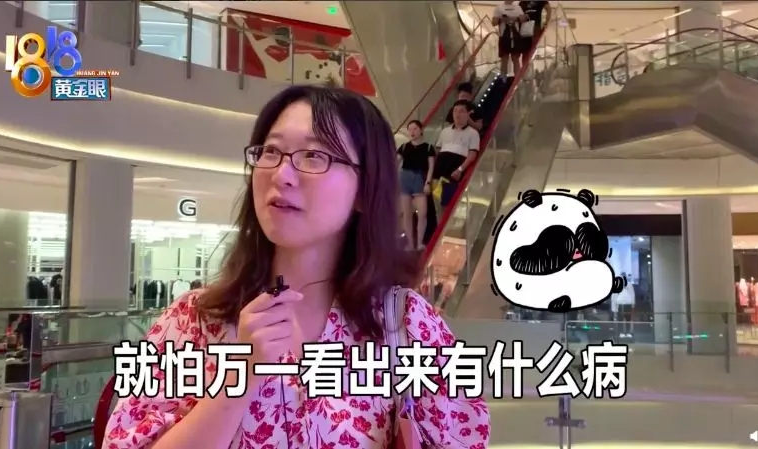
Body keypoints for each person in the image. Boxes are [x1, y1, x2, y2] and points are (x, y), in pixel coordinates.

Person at [103, 85, 490, 449]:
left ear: (364, 189)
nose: (282, 174)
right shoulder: (193, 321)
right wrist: (239, 376)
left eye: (314, 156)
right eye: (271, 152)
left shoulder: (406, 325)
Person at [432, 99, 481, 211]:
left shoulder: (473, 133)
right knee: (436, 206)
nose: (457, 114)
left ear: (468, 114)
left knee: (447, 206)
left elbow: (472, 154)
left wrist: (460, 169)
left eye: (461, 111)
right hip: (438, 172)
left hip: (453, 173)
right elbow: (437, 150)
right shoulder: (445, 131)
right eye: (455, 111)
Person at [398, 119, 435, 251]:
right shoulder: (404, 147)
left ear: (421, 130)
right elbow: (395, 162)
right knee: (407, 213)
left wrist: (428, 182)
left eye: (415, 129)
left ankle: (419, 242)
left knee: (422, 213)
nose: (412, 132)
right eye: (410, 129)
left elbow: (431, 167)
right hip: (405, 177)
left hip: (419, 178)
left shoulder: (428, 147)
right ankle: (410, 243)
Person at [493, 0, 526, 77]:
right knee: (504, 60)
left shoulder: (518, 8)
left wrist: (515, 19)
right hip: (504, 37)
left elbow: (523, 20)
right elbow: (494, 22)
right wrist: (502, 19)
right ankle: (503, 80)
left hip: (516, 37)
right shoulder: (499, 8)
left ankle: (516, 81)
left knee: (515, 59)